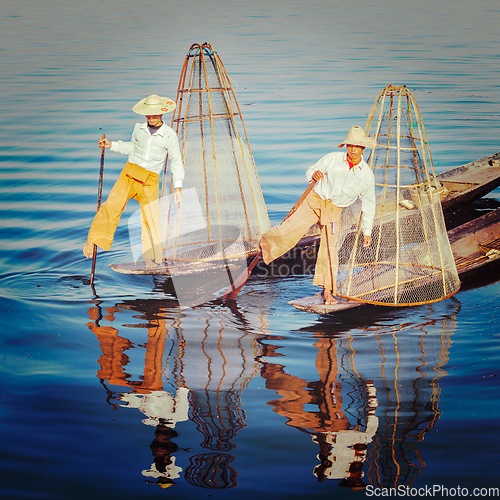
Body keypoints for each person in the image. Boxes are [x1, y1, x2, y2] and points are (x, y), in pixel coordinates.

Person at [260, 125, 376, 304]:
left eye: (357, 146)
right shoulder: (332, 159)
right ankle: (264, 246)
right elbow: (311, 170)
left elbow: (368, 203)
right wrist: (313, 174)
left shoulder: (366, 174)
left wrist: (367, 231)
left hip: (333, 211)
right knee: (287, 231)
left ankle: (327, 291)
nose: (353, 150)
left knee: (329, 252)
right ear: (346, 146)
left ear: (363, 148)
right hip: (314, 201)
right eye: (350, 145)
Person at [83, 94, 184, 266]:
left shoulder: (169, 136)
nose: (151, 117)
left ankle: (150, 259)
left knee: (150, 219)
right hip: (129, 173)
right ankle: (93, 239)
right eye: (148, 114)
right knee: (111, 206)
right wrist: (111, 145)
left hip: (150, 179)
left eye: (154, 114)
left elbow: (176, 161)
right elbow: (131, 147)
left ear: (161, 113)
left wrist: (178, 187)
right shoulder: (139, 128)